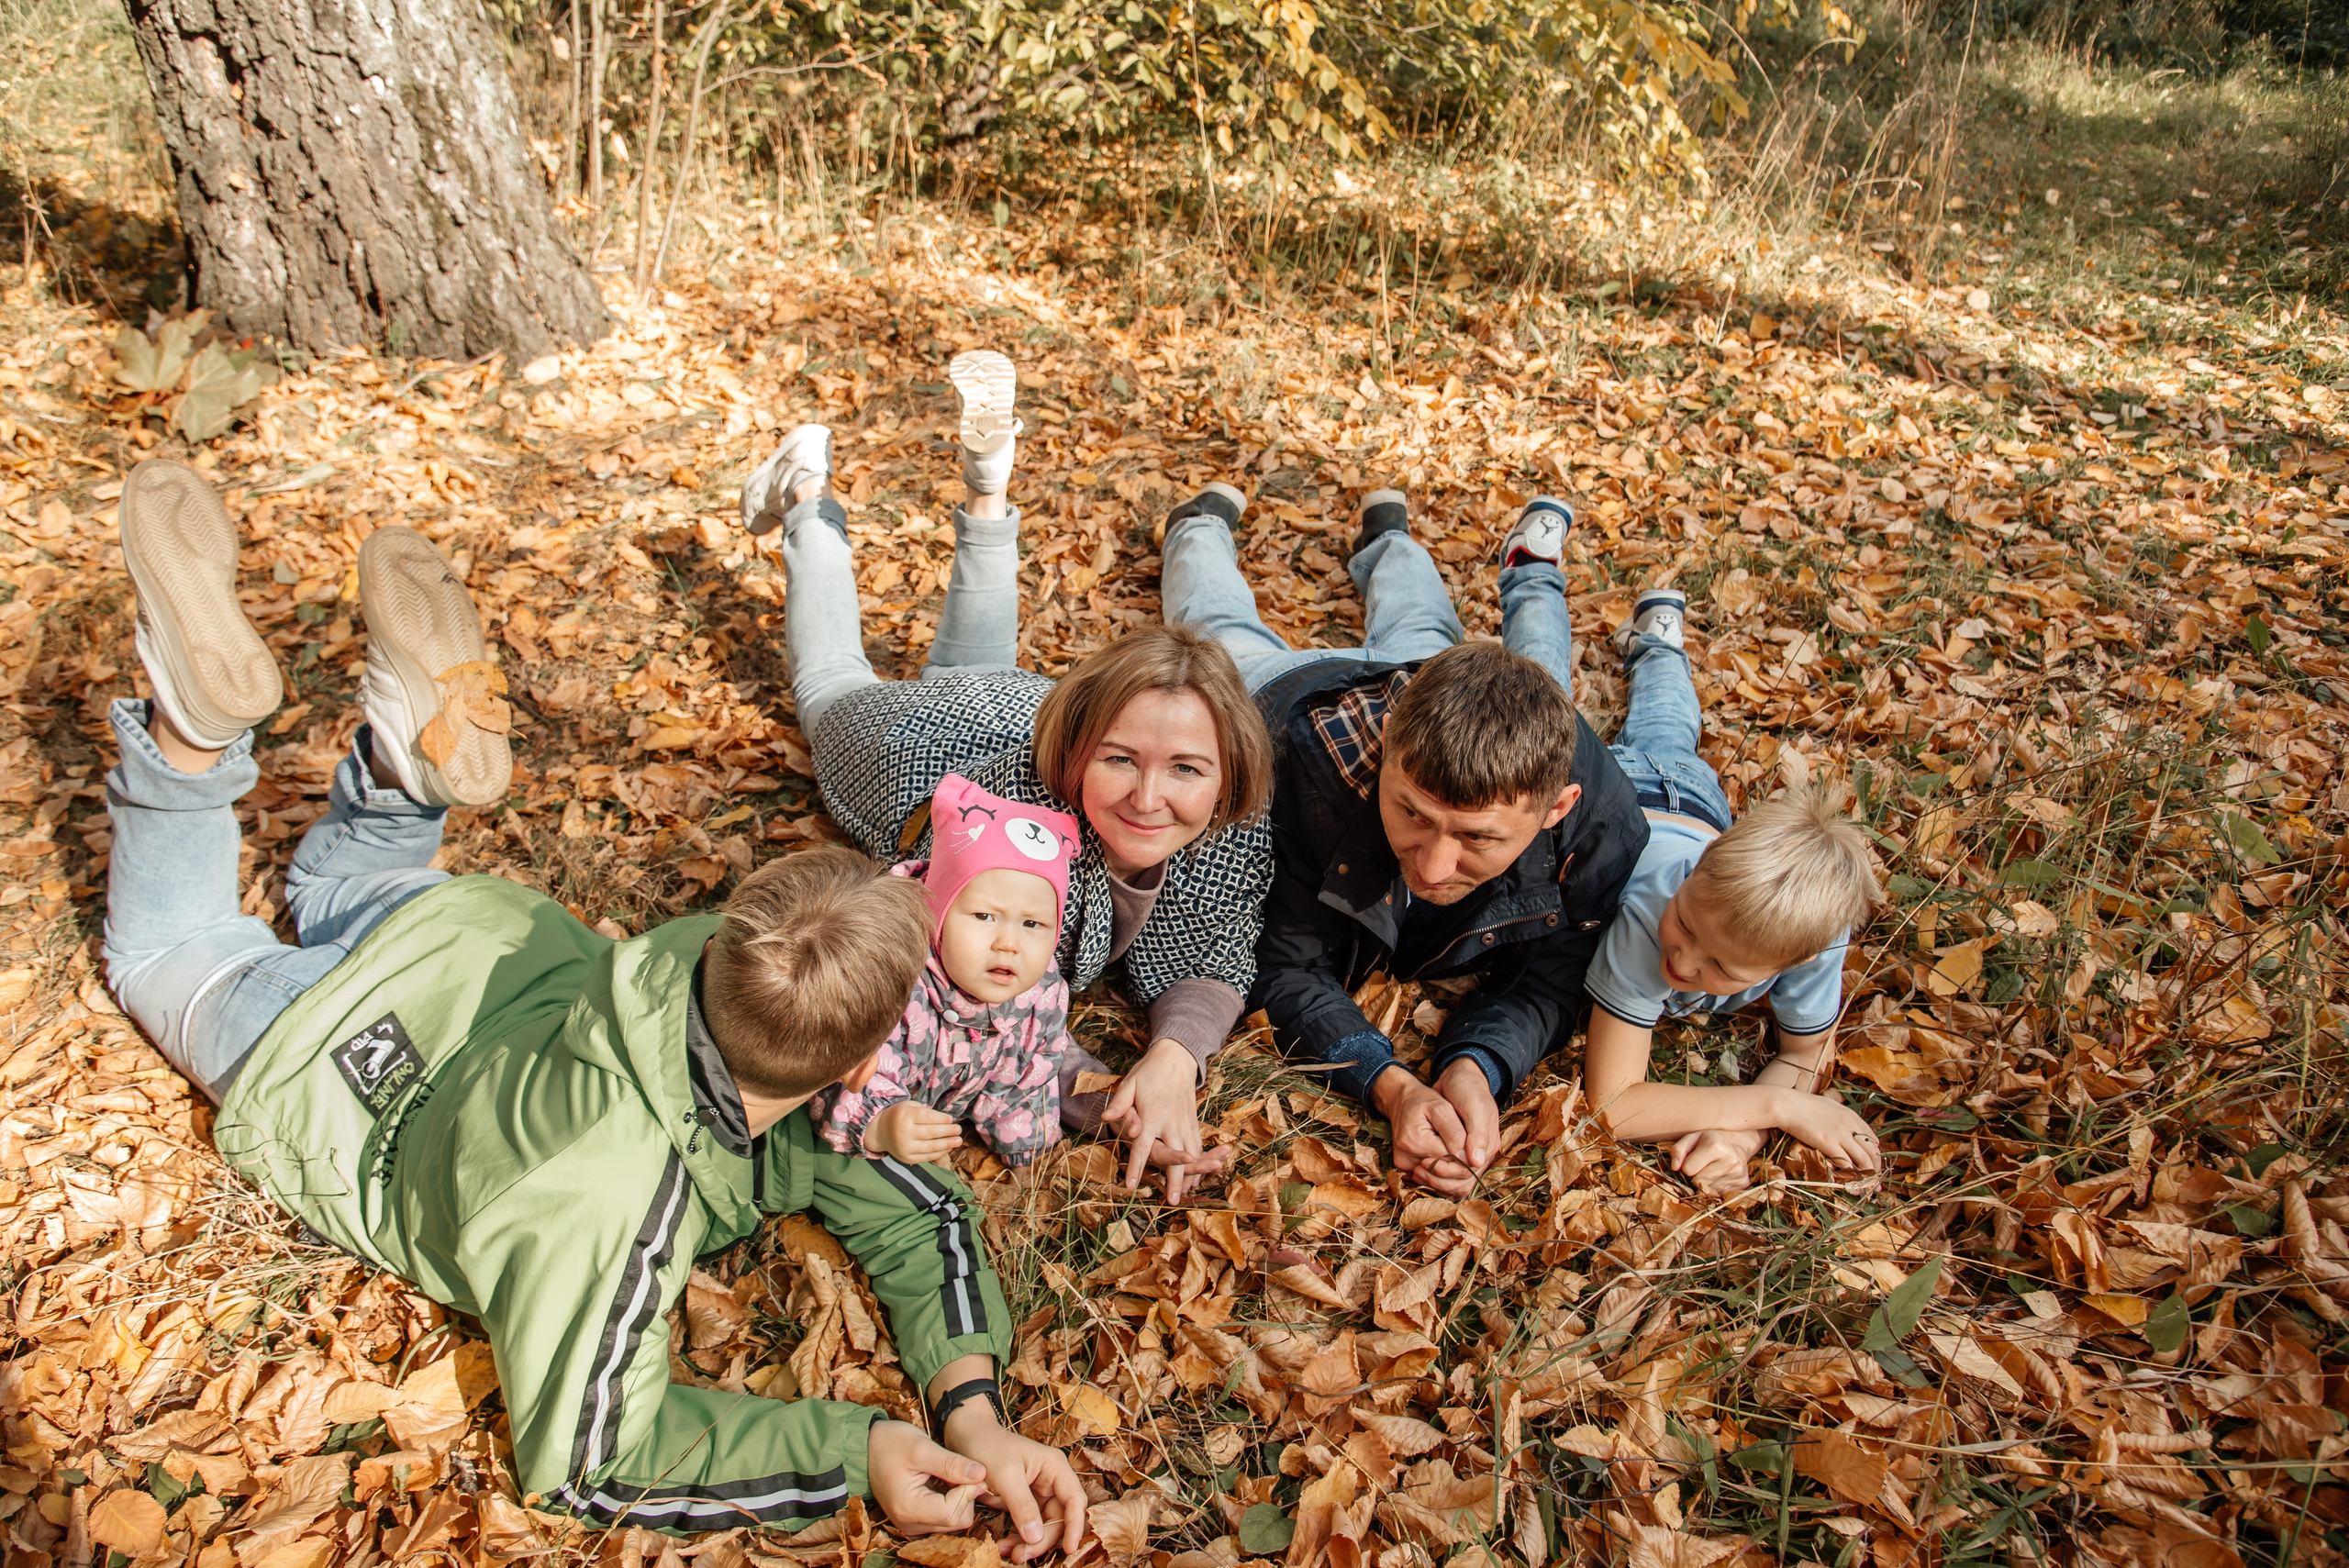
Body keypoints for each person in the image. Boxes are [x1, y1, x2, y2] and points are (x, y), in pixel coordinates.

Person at [102, 459, 1086, 1550]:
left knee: (335, 886)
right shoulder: (611, 1204)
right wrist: (856, 1448)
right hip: (331, 1062)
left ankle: (414, 761)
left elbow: (914, 1206)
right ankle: (195, 735)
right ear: (857, 1067)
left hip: (465, 935)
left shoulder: (700, 960)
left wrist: (974, 1415)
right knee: (168, 946)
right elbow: (590, 1464)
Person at [740, 350, 1275, 1201]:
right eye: (1120, 760)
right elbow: (1002, 1029)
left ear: (1229, 770)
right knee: (832, 678)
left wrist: (1172, 1058)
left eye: (1184, 768)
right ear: (1075, 755)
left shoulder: (1232, 821)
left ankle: (989, 491)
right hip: (912, 746)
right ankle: (808, 496)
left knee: (979, 661)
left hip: (1016, 701)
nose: (1148, 797)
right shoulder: (1021, 833)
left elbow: (1216, 943)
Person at [1157, 484, 1650, 1196]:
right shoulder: (1301, 769)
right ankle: (1196, 525)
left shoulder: (1603, 826)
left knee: (1423, 623)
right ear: (1389, 744)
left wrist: (1473, 1066)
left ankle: (1387, 535)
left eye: (1477, 836)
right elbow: (1286, 962)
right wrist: (1390, 1087)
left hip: (1427, 672)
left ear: (1556, 807)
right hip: (1287, 689)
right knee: (1222, 627)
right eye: (1412, 814)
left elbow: (1549, 977)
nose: (1434, 863)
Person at [1575, 589, 1884, 1194]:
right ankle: (1600, 613)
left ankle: (1660, 639)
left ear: (1793, 961)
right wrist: (1777, 1109)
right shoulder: (1653, 909)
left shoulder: (1813, 938)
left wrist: (1740, 1136)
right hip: (1619, 798)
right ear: (1705, 863)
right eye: (1688, 924)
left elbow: (1804, 1052)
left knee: (1668, 726)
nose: (1683, 958)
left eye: (1720, 964)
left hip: (1692, 803)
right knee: (1636, 726)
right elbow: (1612, 1102)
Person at [810, 773, 1092, 1168]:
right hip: (877, 1131)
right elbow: (837, 1069)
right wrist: (882, 1123)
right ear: (935, 912)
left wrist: (1031, 1151)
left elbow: (1029, 1077)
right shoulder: (893, 981)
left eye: (1032, 924)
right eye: (983, 915)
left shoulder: (1041, 995)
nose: (1008, 942)